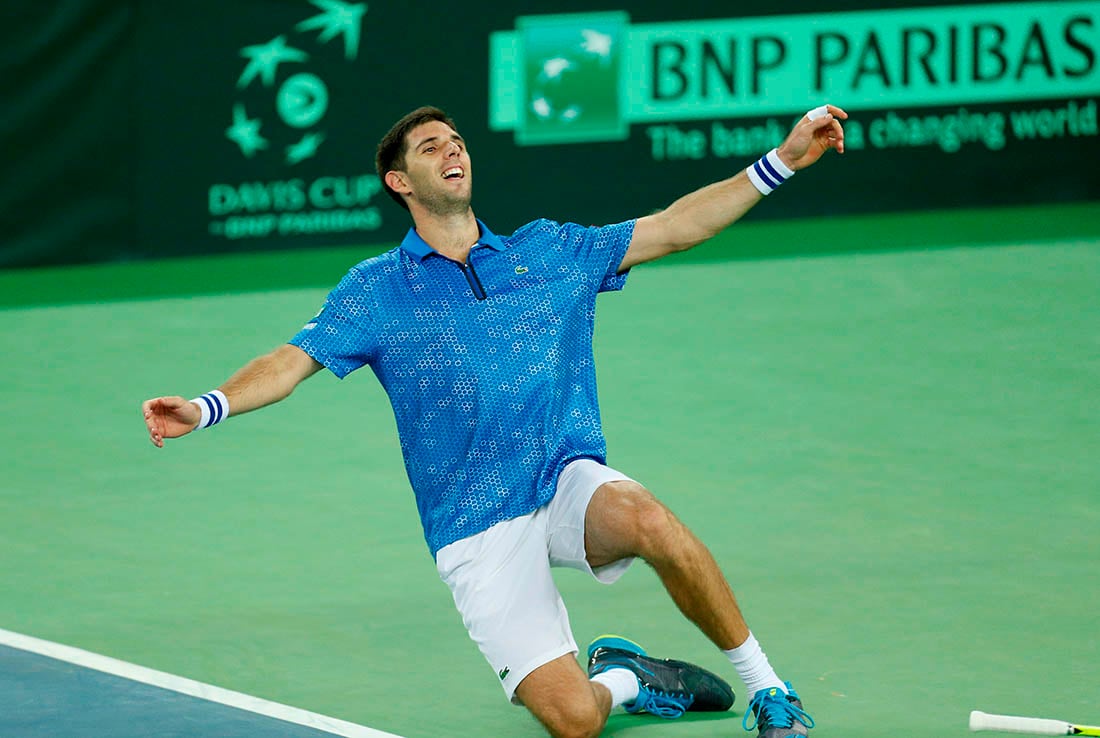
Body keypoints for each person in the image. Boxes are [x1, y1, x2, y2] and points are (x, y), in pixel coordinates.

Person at [143, 103, 846, 738]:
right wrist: (207, 407)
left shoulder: (548, 251)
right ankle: (633, 677)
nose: (452, 151)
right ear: (399, 182)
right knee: (573, 722)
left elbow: (673, 229)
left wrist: (781, 160)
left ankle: (768, 690)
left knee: (649, 518)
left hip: (561, 478)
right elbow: (289, 362)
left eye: (456, 141)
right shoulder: (377, 290)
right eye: (429, 147)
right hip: (474, 523)